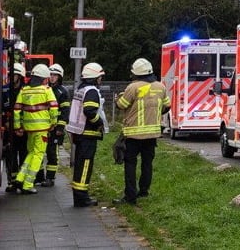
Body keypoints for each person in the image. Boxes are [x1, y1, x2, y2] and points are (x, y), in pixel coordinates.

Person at [115, 58, 170, 205]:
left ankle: (130, 196)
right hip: (152, 134)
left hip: (133, 134)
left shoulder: (133, 87)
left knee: (130, 164)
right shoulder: (160, 87)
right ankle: (144, 191)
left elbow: (121, 105)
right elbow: (167, 106)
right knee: (147, 163)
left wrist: (118, 98)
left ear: (135, 73)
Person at [10, 64, 59, 194]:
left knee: (31, 153)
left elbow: (16, 110)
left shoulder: (24, 90)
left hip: (28, 129)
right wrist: (54, 123)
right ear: (44, 79)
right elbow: (54, 108)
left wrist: (17, 127)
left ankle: (20, 178)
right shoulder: (46, 90)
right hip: (42, 129)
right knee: (38, 155)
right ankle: (27, 184)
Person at [66, 62, 106, 207]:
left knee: (79, 166)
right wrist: (99, 122)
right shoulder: (92, 91)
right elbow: (89, 111)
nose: (101, 80)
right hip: (87, 134)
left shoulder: (81, 89)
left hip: (79, 133)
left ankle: (79, 196)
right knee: (85, 166)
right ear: (95, 77)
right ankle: (82, 198)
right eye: (100, 77)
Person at [40, 64, 71, 187]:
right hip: (43, 126)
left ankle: (50, 178)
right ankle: (39, 176)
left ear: (59, 77)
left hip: (55, 128)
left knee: (52, 153)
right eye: (51, 75)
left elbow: (65, 111)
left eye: (55, 75)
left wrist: (60, 128)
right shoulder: (44, 89)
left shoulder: (62, 91)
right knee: (40, 152)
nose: (52, 77)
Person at [2, 62, 27, 191]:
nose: (12, 77)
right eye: (11, 75)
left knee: (23, 155)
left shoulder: (26, 90)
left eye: (15, 75)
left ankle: (21, 181)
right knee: (10, 155)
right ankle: (12, 182)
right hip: (9, 128)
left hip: (23, 129)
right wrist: (4, 122)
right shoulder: (4, 89)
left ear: (20, 76)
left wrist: (23, 126)